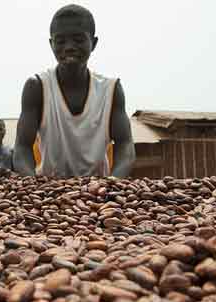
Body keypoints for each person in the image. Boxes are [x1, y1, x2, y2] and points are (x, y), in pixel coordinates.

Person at [14, 4, 136, 178]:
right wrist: (33, 187)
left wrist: (113, 183)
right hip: (49, 191)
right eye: (60, 41)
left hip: (100, 192)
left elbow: (125, 146)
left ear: (93, 43)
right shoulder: (37, 87)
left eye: (78, 40)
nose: (69, 47)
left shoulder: (111, 89)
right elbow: (22, 148)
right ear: (51, 44)